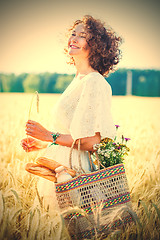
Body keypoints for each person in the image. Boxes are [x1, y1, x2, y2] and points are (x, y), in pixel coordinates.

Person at [21, 15, 122, 208]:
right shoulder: (78, 80)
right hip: (57, 169)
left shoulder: (94, 82)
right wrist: (43, 143)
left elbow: (93, 142)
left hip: (73, 174)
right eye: (73, 34)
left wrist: (49, 135)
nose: (73, 39)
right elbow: (74, 136)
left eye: (82, 36)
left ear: (96, 45)